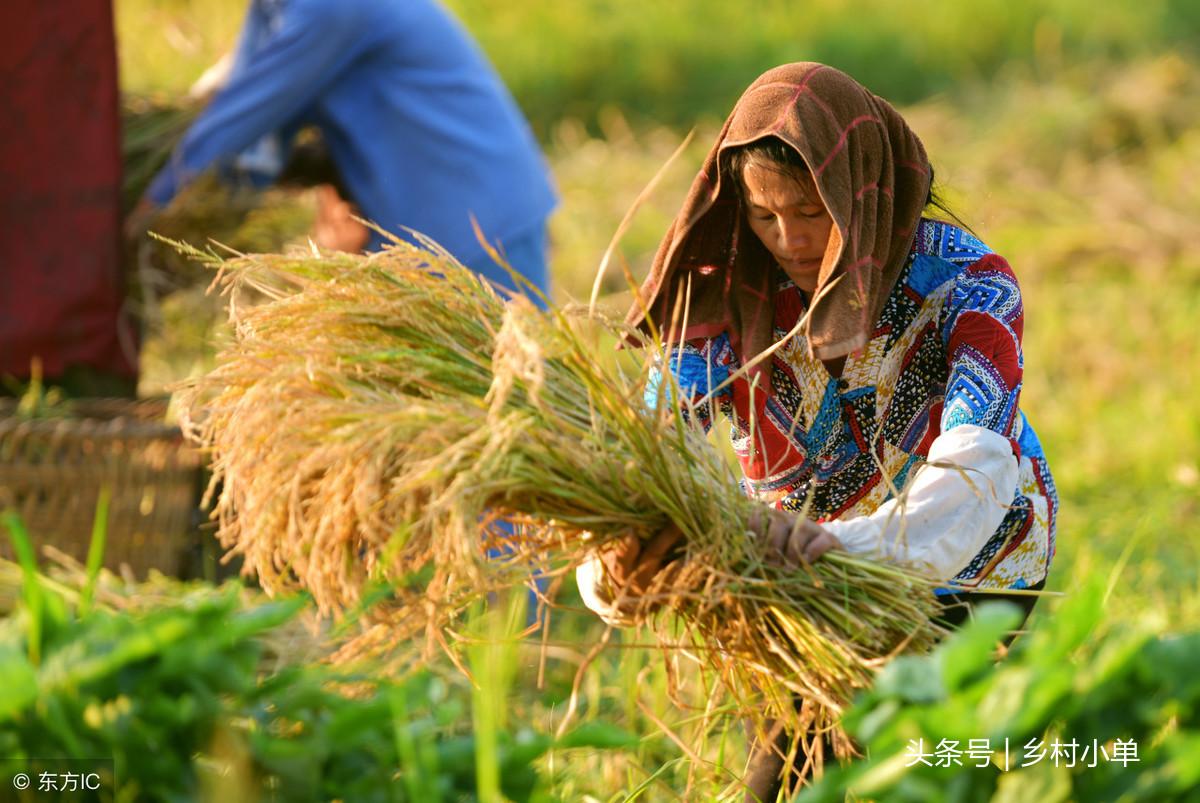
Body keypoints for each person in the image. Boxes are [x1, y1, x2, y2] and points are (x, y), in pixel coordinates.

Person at [575, 62, 1058, 801]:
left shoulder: (970, 288)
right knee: (781, 776)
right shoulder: (723, 299)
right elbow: (648, 449)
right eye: (766, 217)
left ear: (861, 191)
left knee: (911, 767)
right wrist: (616, 569)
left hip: (968, 563)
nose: (791, 240)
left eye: (811, 212)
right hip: (793, 569)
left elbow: (969, 479)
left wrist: (835, 547)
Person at [127, 0, 558, 298]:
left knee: (500, 401)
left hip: (475, 221)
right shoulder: (276, 6)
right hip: (419, 223)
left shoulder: (331, 7)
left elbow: (246, 113)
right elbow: (244, 92)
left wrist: (153, 204)